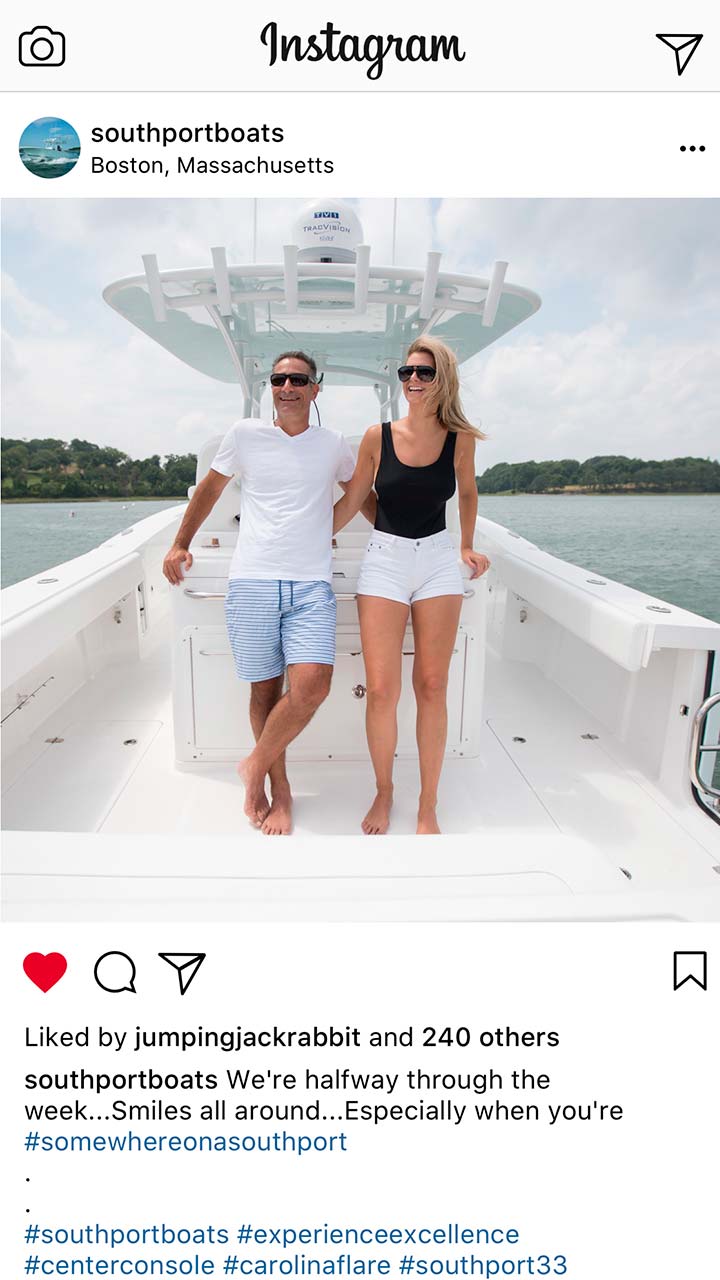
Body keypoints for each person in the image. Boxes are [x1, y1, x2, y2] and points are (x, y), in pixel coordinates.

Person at [163, 350, 367, 836]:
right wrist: (179, 543)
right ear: (270, 388)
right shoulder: (244, 435)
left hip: (311, 583)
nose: (287, 387)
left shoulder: (334, 445)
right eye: (278, 379)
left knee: (312, 685)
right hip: (253, 579)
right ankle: (279, 789)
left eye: (298, 379)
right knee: (264, 689)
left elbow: (362, 497)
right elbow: (210, 490)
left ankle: (252, 764)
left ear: (316, 388)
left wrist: (411, 542)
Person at [332, 336, 490, 836]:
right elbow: (356, 496)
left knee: (433, 684)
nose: (414, 381)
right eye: (407, 373)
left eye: (424, 373)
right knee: (381, 690)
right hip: (385, 560)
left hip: (439, 560)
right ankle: (384, 792)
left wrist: (466, 544)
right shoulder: (377, 436)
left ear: (443, 379)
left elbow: (467, 491)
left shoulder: (459, 438)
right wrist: (308, 538)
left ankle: (428, 803)